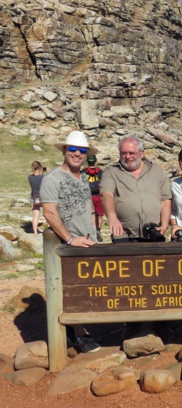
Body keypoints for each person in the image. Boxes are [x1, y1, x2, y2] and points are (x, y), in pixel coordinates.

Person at [39, 131, 99, 353]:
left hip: (87, 241)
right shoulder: (52, 179)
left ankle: (82, 329)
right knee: (70, 289)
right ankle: (78, 335)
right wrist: (70, 238)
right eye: (72, 149)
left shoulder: (83, 177)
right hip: (69, 245)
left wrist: (94, 231)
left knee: (84, 287)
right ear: (64, 151)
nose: (77, 153)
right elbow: (49, 212)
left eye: (81, 150)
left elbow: (89, 206)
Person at [101, 136, 171, 242]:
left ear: (142, 153)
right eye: (124, 153)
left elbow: (165, 199)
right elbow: (106, 194)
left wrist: (165, 225)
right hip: (124, 233)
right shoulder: (111, 172)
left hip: (153, 233)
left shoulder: (157, 171)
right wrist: (112, 218)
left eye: (131, 153)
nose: (127, 156)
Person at [81, 153, 104, 240]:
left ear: (87, 161)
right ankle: (98, 230)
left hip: (87, 195)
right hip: (98, 195)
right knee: (100, 214)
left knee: (90, 213)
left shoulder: (83, 171)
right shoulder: (100, 172)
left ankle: (91, 229)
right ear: (96, 161)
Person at [28, 161, 45, 234]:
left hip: (34, 198)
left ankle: (35, 232)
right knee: (48, 214)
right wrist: (47, 170)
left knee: (35, 216)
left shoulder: (29, 177)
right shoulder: (44, 177)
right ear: (40, 168)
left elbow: (35, 178)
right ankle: (50, 230)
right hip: (43, 198)